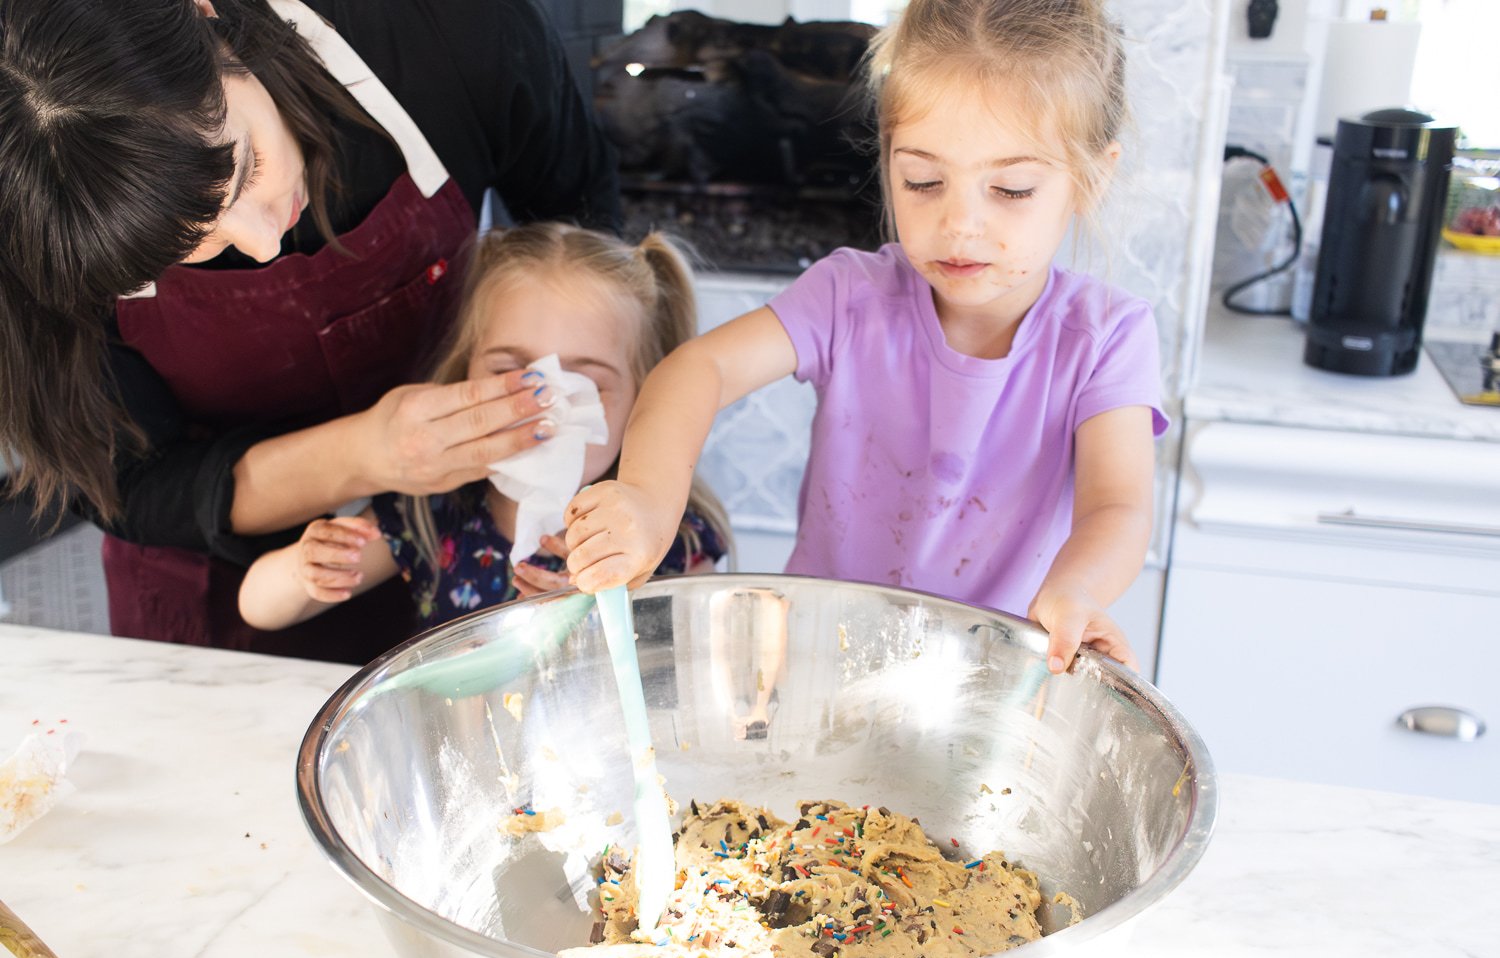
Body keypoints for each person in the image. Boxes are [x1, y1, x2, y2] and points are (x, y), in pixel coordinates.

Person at [0, 0, 620, 662]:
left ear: (203, 15)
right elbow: (122, 477)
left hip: (467, 547)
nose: (263, 243)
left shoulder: (448, 27)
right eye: (182, 249)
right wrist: (364, 453)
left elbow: (594, 254)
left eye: (245, 169)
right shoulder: (35, 209)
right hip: (219, 600)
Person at [562, 0, 1167, 675]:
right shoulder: (850, 297)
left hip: (990, 687)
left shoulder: (1107, 338)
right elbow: (696, 370)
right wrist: (648, 499)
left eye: (1011, 188)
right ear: (887, 158)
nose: (960, 222)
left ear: (1092, 176)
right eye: (924, 181)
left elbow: (1117, 507)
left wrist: (1075, 589)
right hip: (814, 672)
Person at [238, 223, 730, 632]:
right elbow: (257, 606)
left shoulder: (667, 531)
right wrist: (305, 568)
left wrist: (590, 618)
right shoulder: (432, 510)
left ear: (645, 403)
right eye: (506, 374)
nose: (541, 410)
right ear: (465, 376)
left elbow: (697, 660)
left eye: (580, 385)